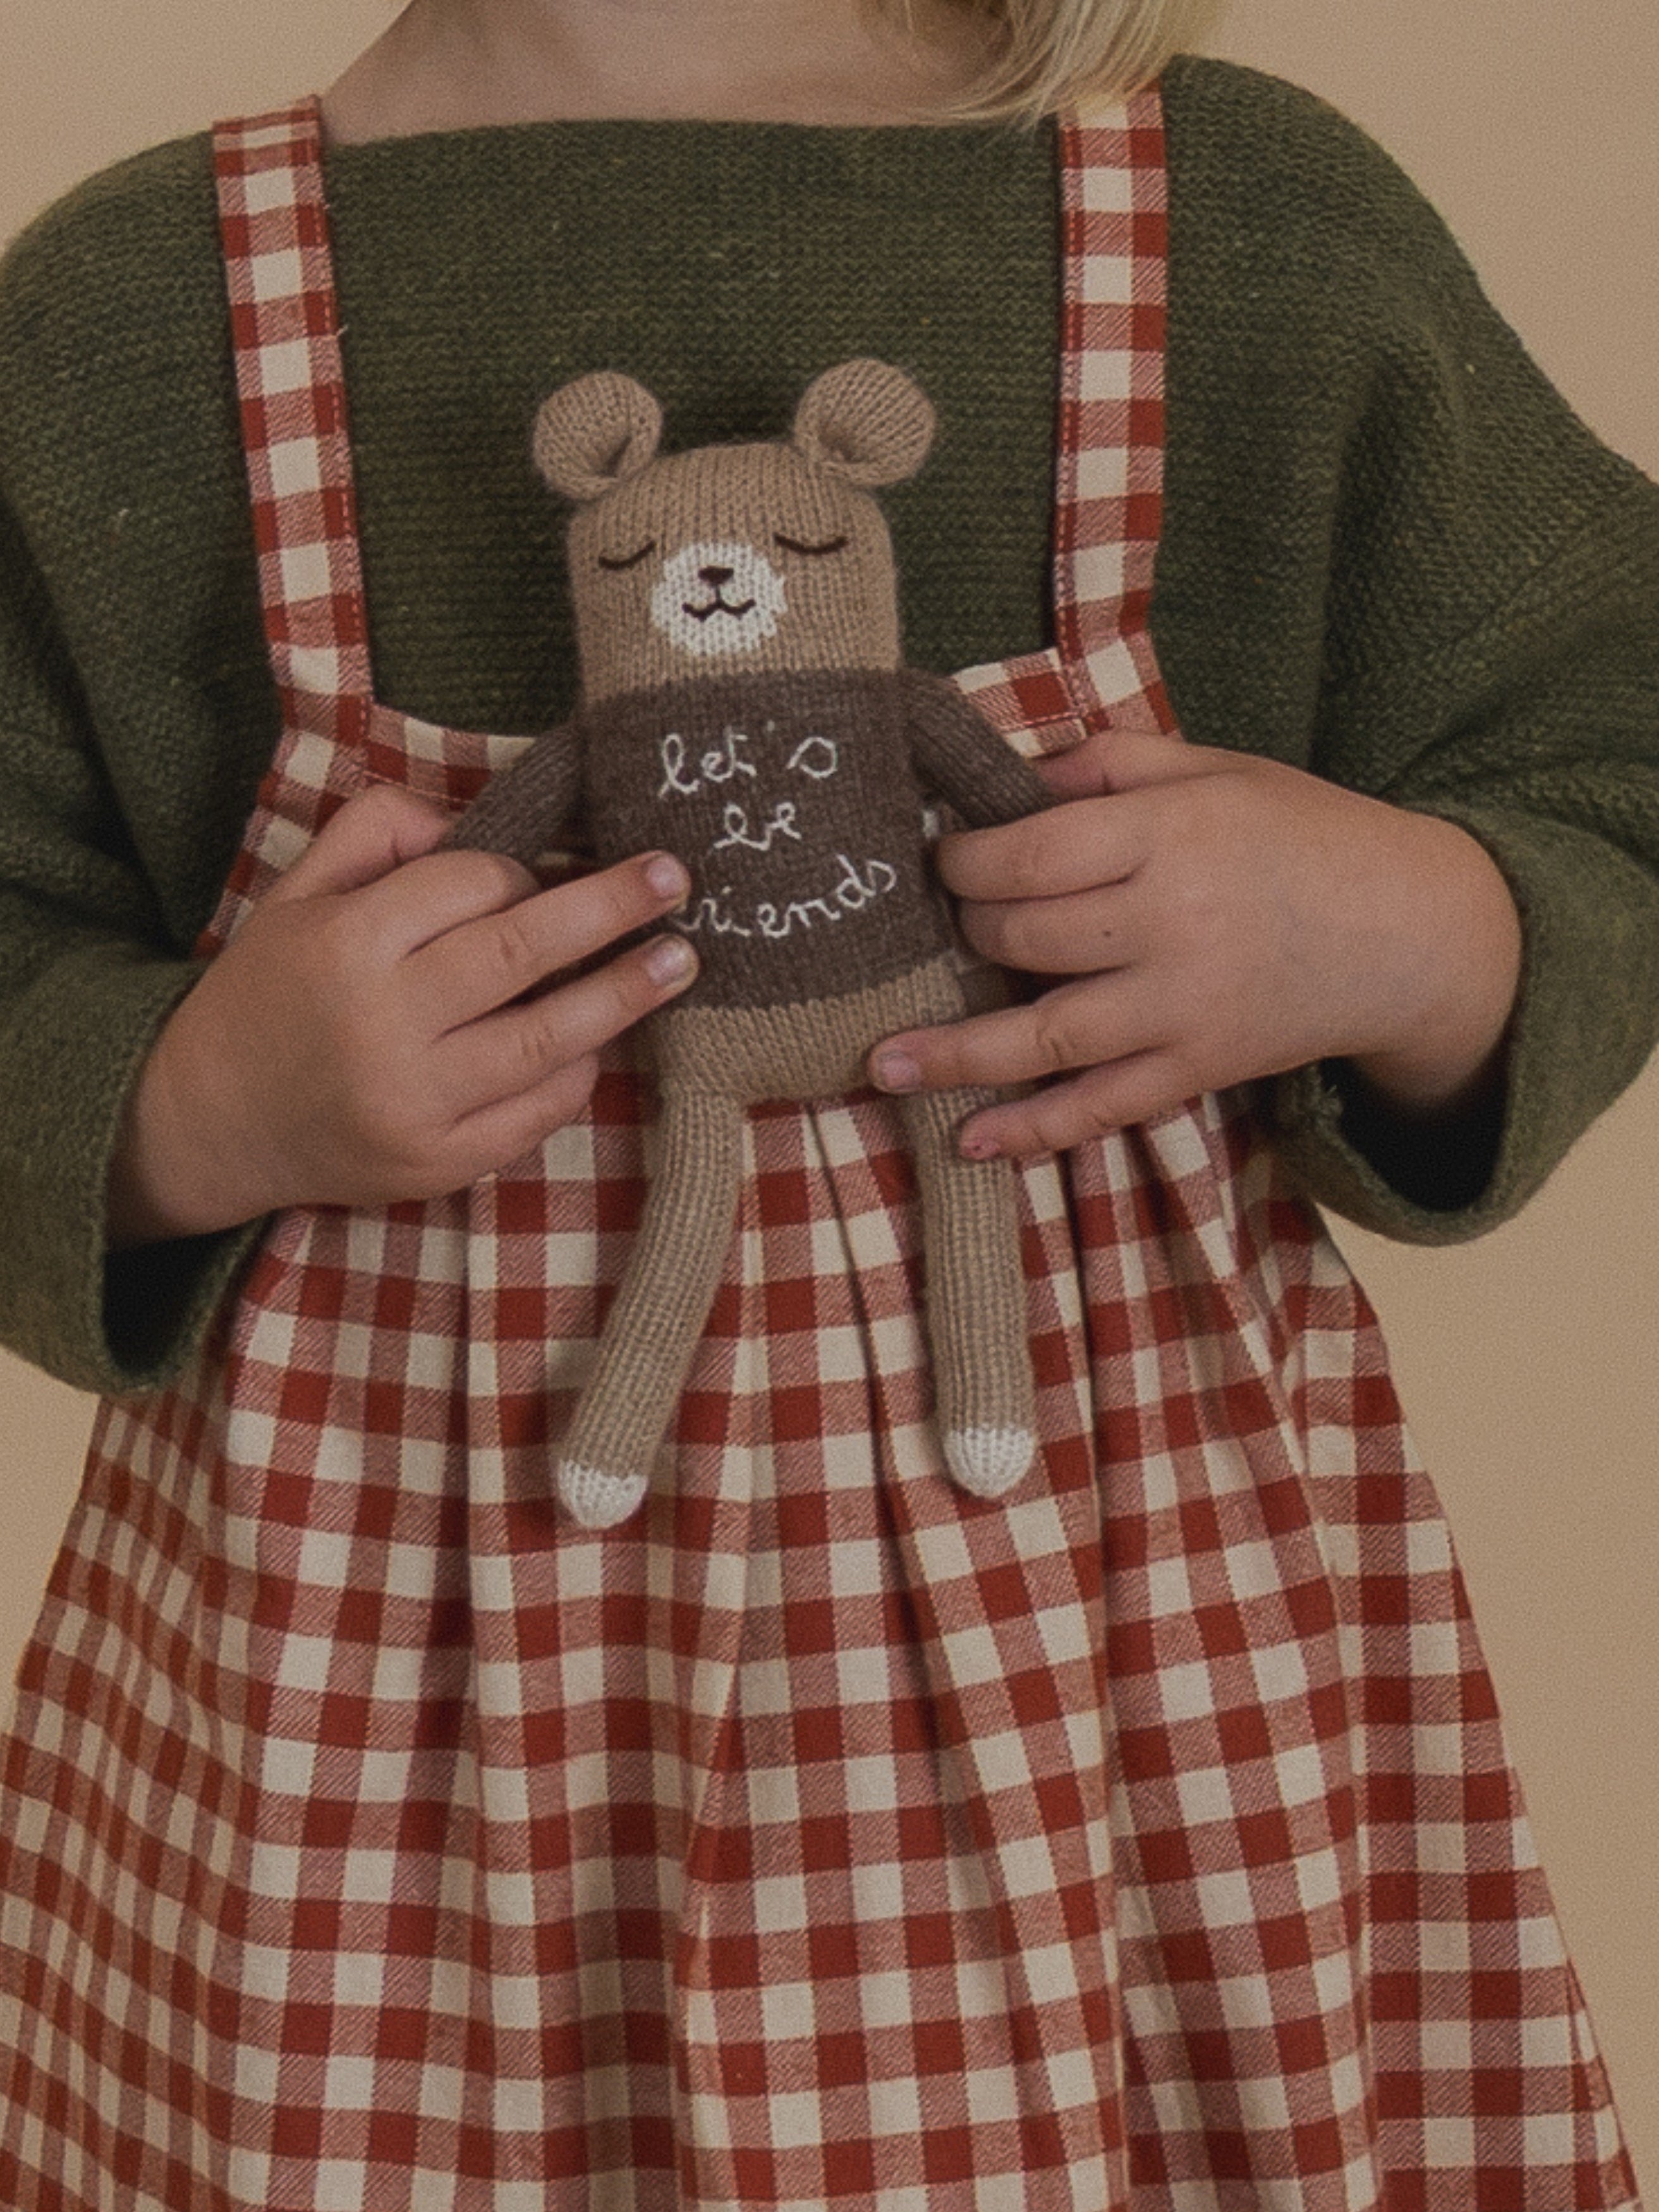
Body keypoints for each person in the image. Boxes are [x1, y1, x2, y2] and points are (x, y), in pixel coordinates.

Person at [0, 0, 1653, 2202]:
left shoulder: (1243, 226)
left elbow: (1605, 744)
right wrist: (193, 1100)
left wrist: (1403, 925)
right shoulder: (139, 314)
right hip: (390, 1788)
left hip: (1115, 1725)